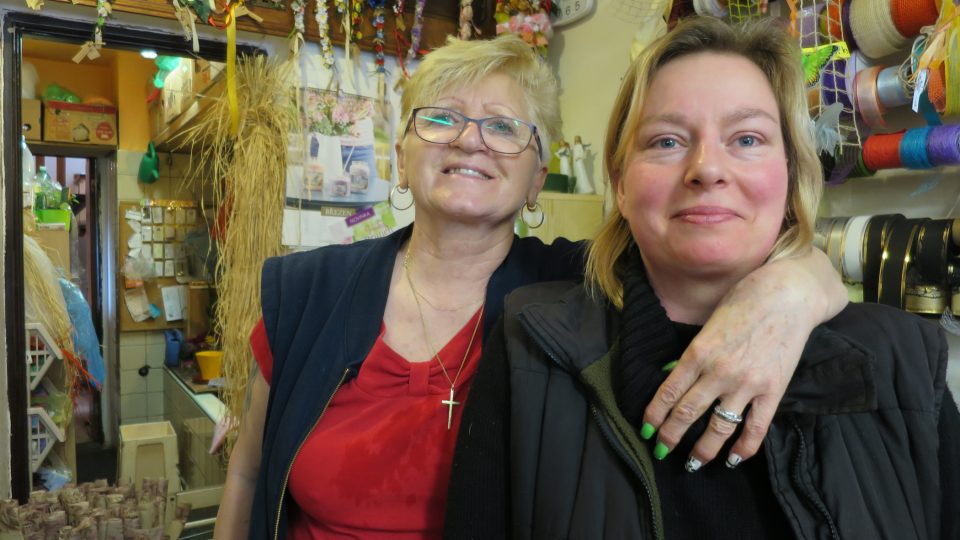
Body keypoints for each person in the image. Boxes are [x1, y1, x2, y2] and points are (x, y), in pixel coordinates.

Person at [215, 32, 849, 539]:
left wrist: (792, 290)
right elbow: (246, 476)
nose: (470, 139)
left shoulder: (582, 288)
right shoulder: (305, 291)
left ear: (538, 177)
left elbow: (718, 259)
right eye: (441, 118)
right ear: (400, 157)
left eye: (503, 127)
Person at [445, 16, 960, 539]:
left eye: (747, 138)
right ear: (620, 184)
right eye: (667, 141)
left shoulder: (907, 359)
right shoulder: (530, 345)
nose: (707, 168)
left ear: (790, 175)